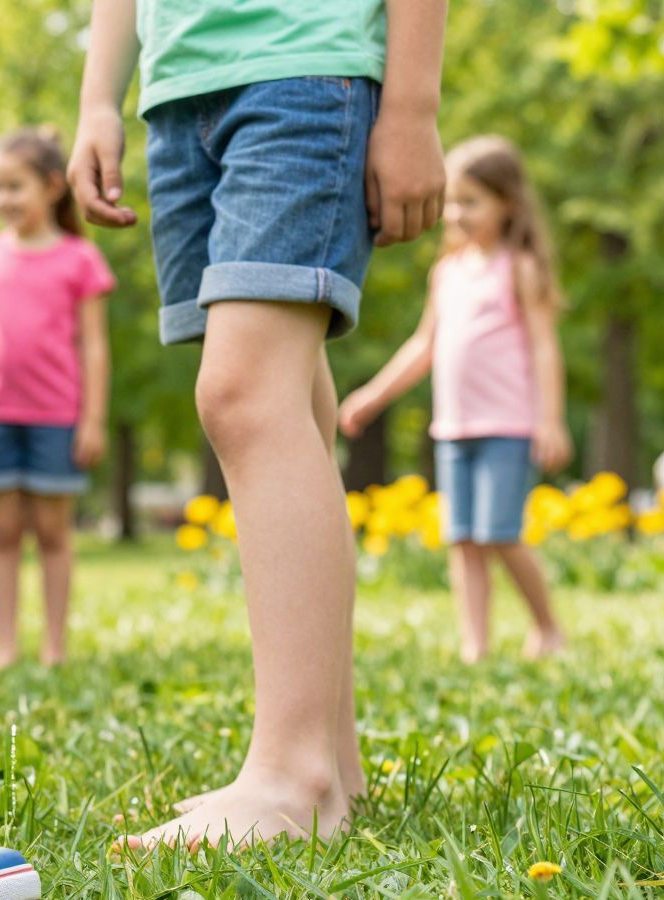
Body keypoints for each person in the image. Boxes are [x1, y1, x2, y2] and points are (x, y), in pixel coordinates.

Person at [69, 0, 448, 847]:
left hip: (304, 69)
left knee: (243, 393)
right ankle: (332, 766)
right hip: (180, 90)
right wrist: (99, 99)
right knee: (288, 384)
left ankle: (292, 778)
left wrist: (413, 105)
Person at [341, 136, 571, 662]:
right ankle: (475, 644)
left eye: (471, 201)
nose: (456, 214)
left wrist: (551, 419)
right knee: (463, 538)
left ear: (507, 203)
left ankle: (547, 628)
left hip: (507, 425)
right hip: (454, 426)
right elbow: (423, 345)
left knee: (501, 534)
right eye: (451, 201)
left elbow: (544, 348)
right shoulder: (446, 272)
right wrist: (373, 396)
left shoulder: (519, 268)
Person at [0, 128, 114, 669]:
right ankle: (6, 644)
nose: (3, 199)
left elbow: (94, 347)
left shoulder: (80, 259)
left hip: (56, 417)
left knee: (53, 534)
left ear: (52, 187)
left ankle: (54, 646)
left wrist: (93, 420)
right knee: (3, 534)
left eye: (14, 186)